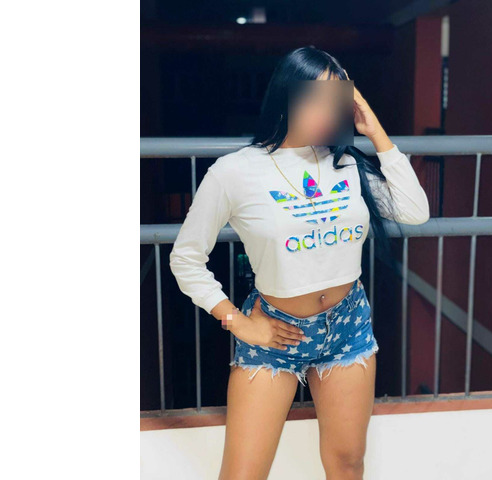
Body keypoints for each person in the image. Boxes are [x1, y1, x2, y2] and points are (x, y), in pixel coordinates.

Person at [169, 46, 431, 480]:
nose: (326, 112)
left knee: (347, 463)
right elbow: (186, 259)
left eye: (337, 99)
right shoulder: (235, 172)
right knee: (243, 474)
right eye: (314, 97)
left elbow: (415, 210)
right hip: (274, 331)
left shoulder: (347, 163)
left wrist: (375, 130)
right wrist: (236, 321)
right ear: (286, 95)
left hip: (348, 325)